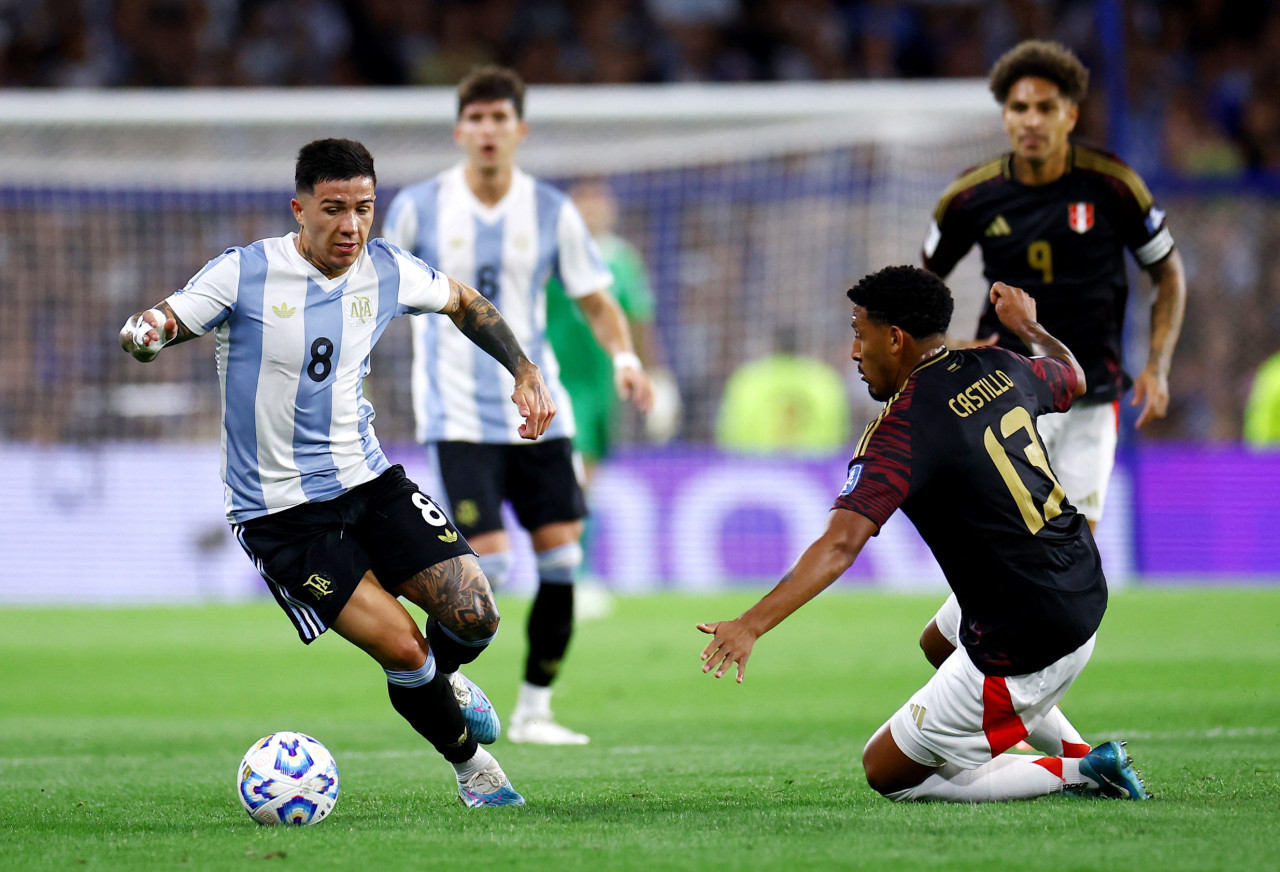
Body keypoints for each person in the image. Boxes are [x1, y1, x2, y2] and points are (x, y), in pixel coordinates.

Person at [119, 138, 551, 807]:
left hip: (368, 482)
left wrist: (522, 369)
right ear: (300, 210)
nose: (350, 226)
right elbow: (174, 317)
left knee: (476, 615)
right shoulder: (245, 273)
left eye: (364, 209)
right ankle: (474, 770)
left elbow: (464, 302)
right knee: (406, 651)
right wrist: (147, 331)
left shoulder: (386, 270)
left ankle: (450, 683)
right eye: (333, 209)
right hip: (281, 515)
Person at [698, 266, 1150, 803]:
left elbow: (841, 544)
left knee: (885, 771)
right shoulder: (1001, 364)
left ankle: (1079, 773)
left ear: (895, 338)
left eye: (859, 334)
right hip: (1077, 577)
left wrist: (750, 625)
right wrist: (1031, 327)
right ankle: (1082, 755)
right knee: (938, 641)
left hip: (1028, 632)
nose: (853, 352)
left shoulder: (902, 430)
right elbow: (1072, 377)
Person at [382, 65, 654, 745]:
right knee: (492, 569)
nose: (487, 131)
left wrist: (625, 358)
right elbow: (377, 292)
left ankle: (536, 709)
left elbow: (597, 298)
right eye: (475, 119)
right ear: (459, 131)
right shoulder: (418, 207)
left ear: (519, 130)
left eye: (499, 119)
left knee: (562, 559)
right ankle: (434, 686)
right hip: (459, 415)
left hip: (542, 412)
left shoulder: (552, 211)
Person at [920, 38, 1186, 693]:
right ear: (1004, 115)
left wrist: (1157, 365)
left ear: (1071, 113)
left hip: (1093, 398)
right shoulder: (970, 197)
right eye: (1018, 107)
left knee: (1071, 563)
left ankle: (947, 644)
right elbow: (922, 283)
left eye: (1045, 106)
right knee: (1035, 564)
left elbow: (1168, 274)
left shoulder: (1113, 185)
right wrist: (944, 352)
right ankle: (1034, 731)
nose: (1030, 120)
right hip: (1003, 398)